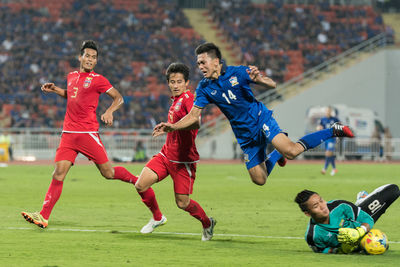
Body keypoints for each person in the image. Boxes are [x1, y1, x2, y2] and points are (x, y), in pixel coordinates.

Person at [153, 42, 355, 186]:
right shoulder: (204, 87)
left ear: (216, 61)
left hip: (260, 119)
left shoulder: (238, 72)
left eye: (203, 62)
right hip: (244, 134)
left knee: (292, 151)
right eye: (198, 64)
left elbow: (272, 84)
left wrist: (260, 78)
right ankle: (275, 154)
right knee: (260, 180)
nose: (200, 67)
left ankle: (333, 131)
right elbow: (193, 117)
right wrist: (173, 126)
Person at [21, 40, 142, 228]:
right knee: (58, 173)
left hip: (87, 133)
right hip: (68, 133)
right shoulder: (71, 76)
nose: (90, 60)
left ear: (96, 61)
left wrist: (109, 111)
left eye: (94, 57)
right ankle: (43, 216)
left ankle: (137, 180)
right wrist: (55, 90)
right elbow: (72, 95)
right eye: (87, 56)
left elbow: (119, 98)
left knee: (108, 173)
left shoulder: (99, 79)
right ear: (80, 57)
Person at [134, 62, 216, 241]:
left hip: (183, 161)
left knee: (183, 203)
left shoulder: (188, 98)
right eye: (173, 82)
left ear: (186, 83)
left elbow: (196, 122)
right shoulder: (175, 101)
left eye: (179, 81)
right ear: (169, 83)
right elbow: (176, 126)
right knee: (140, 185)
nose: (176, 85)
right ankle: (157, 217)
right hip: (165, 155)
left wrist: (172, 127)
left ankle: (207, 223)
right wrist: (168, 129)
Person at [295, 184, 400, 253]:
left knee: (394, 190)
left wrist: (359, 232)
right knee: (378, 247)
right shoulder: (312, 236)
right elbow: (323, 250)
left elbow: (368, 220)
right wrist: (342, 249)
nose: (323, 206)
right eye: (316, 206)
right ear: (307, 213)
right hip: (356, 246)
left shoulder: (340, 206)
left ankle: (360, 204)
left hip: (360, 222)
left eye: (321, 201)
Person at [317, 106, 340, 176]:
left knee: (327, 153)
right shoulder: (323, 119)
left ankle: (324, 169)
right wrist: (318, 128)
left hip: (332, 138)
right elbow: (319, 127)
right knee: (330, 154)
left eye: (329, 111)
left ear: (331, 111)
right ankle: (334, 168)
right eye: (327, 111)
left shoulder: (335, 119)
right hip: (325, 139)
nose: (328, 112)